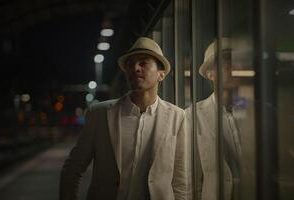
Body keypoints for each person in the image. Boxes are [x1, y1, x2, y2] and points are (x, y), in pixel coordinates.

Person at [60, 37, 187, 200]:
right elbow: (73, 169)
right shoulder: (99, 114)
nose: (135, 68)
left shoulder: (178, 117)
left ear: (161, 74)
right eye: (130, 64)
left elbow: (181, 182)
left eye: (143, 63)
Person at [185, 37, 242, 200]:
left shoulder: (261, 110)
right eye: (226, 63)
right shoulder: (192, 116)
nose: (234, 68)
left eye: (237, 62)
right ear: (210, 73)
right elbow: (190, 179)